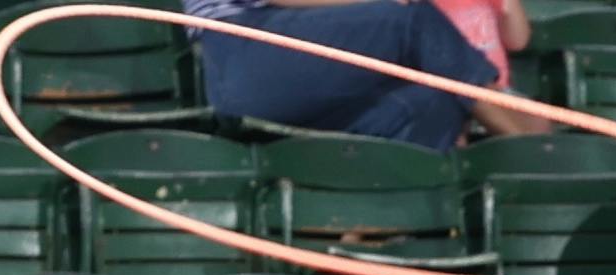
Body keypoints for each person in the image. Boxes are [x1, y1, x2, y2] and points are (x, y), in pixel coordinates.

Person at [171, 0, 516, 150]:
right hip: (245, 50)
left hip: (300, 68)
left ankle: (370, 227)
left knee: (436, 96)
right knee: (410, 21)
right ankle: (515, 131)